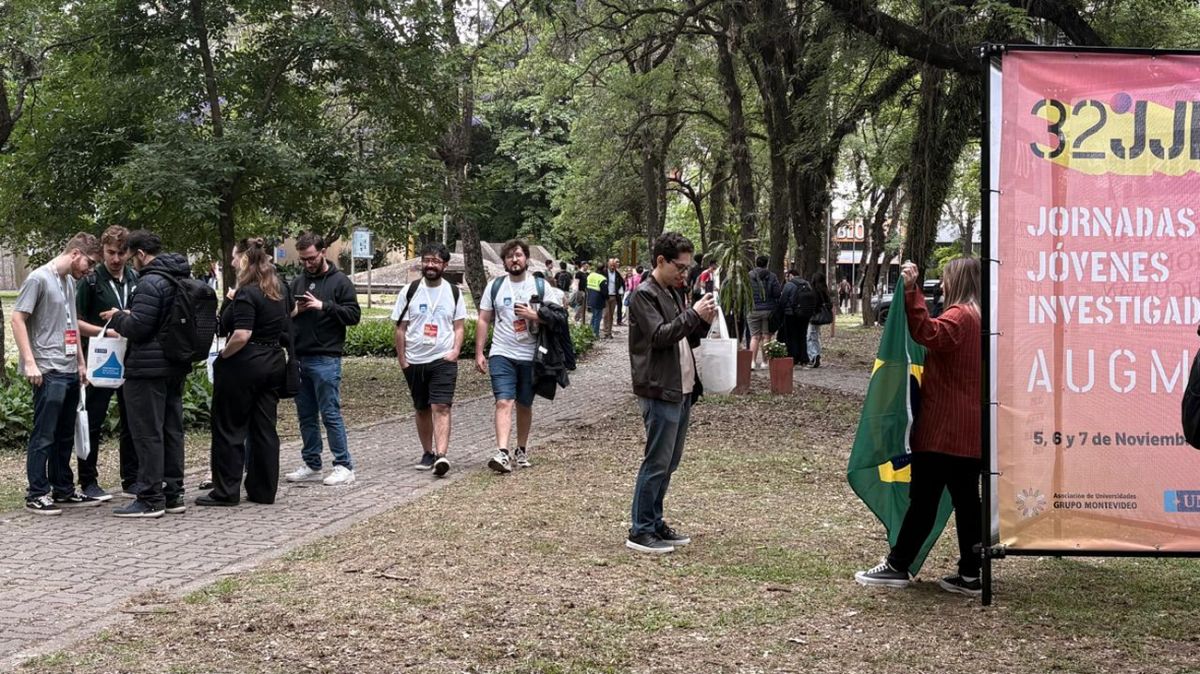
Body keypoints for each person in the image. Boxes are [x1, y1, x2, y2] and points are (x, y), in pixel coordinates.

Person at [855, 258, 983, 596]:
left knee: (923, 501)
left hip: (944, 430)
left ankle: (898, 565)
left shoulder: (959, 317)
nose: (941, 285)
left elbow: (926, 332)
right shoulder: (981, 319)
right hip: (969, 431)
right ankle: (971, 573)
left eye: (945, 279)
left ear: (957, 282)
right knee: (969, 503)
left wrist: (912, 290)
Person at [625, 232, 717, 553]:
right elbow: (660, 336)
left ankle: (654, 520)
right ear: (660, 261)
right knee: (657, 461)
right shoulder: (643, 295)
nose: (684, 274)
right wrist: (692, 314)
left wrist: (702, 320)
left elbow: (684, 338)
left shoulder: (672, 293)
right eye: (680, 267)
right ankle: (640, 529)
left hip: (682, 389)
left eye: (688, 268)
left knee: (670, 462)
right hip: (658, 388)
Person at [13, 233, 103, 515]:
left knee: (66, 433)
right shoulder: (39, 279)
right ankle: (37, 492)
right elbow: (17, 318)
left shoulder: (68, 283)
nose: (89, 270)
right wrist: (30, 362)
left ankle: (63, 488)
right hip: (47, 368)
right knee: (44, 433)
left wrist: (80, 362)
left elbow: (72, 327)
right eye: (89, 262)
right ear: (76, 254)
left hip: (67, 368)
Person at [105, 230, 193, 518]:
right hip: (174, 364)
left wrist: (119, 316)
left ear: (141, 254)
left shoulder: (150, 282)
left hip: (146, 369)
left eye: (131, 257)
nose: (130, 263)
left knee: (147, 432)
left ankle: (150, 497)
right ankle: (173, 493)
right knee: (171, 430)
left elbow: (139, 328)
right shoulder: (179, 276)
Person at [197, 238, 289, 507]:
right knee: (264, 428)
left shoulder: (247, 293)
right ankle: (263, 490)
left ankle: (226, 490)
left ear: (245, 261)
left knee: (229, 428)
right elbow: (290, 314)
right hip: (273, 361)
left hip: (245, 364)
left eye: (236, 258)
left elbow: (241, 334)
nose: (232, 262)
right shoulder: (276, 291)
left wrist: (223, 356)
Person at [284, 232, 362, 487]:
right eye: (303, 259)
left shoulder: (340, 282)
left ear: (323, 252)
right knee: (305, 414)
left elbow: (353, 315)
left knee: (330, 413)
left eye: (311, 258)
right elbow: (284, 316)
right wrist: (297, 310)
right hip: (300, 356)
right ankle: (311, 462)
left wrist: (324, 306)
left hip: (326, 357)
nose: (307, 263)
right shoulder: (297, 283)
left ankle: (343, 465)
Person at [392, 242, 467, 477]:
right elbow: (400, 328)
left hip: (442, 358)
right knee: (422, 408)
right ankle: (428, 452)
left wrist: (455, 351)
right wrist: (403, 360)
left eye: (435, 261)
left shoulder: (454, 292)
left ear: (444, 265)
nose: (430, 265)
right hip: (414, 359)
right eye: (427, 260)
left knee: (441, 406)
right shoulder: (410, 291)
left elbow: (459, 326)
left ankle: (442, 455)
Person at [75, 225, 138, 501]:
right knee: (93, 421)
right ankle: (88, 482)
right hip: (99, 359)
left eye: (121, 253)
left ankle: (131, 479)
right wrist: (106, 330)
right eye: (111, 252)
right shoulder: (90, 280)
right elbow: (74, 321)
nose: (115, 259)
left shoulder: (135, 277)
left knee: (132, 421)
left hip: (130, 358)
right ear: (102, 251)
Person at [476, 239, 547, 473]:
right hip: (502, 353)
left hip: (530, 354)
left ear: (526, 258)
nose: (514, 260)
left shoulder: (539, 286)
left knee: (524, 404)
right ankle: (502, 452)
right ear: (504, 261)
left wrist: (534, 315)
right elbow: (484, 319)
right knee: (503, 401)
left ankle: (522, 449)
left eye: (518, 255)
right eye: (509, 256)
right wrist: (479, 352)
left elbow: (558, 316)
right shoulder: (495, 286)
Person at [747, 256, 781, 370]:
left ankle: (751, 362)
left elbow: (745, 292)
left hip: (753, 309)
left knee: (754, 337)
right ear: (767, 263)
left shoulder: (748, 276)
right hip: (768, 310)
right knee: (766, 336)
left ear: (755, 263)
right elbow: (777, 293)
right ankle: (764, 362)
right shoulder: (772, 276)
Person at [779, 269, 817, 366]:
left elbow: (783, 300)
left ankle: (793, 357)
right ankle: (803, 357)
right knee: (802, 335)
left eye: (787, 276)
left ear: (791, 275)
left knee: (791, 336)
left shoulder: (789, 285)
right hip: (805, 314)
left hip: (791, 314)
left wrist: (782, 310)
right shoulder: (807, 284)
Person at [807, 271, 833, 368]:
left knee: (810, 336)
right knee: (816, 336)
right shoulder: (824, 291)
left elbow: (813, 305)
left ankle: (813, 356)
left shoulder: (814, 291)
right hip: (820, 317)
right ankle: (816, 354)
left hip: (813, 317)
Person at [602, 258, 625, 339]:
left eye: (614, 266)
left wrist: (621, 292)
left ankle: (609, 332)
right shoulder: (604, 272)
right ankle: (605, 331)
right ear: (608, 265)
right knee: (606, 314)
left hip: (614, 296)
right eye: (611, 265)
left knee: (611, 315)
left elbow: (622, 283)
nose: (612, 267)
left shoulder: (617, 274)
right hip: (606, 296)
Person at [586, 263, 608, 337]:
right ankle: (595, 334)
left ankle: (589, 332)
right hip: (598, 300)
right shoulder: (602, 278)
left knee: (594, 316)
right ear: (603, 269)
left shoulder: (590, 275)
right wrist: (607, 298)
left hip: (590, 298)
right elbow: (605, 292)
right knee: (597, 317)